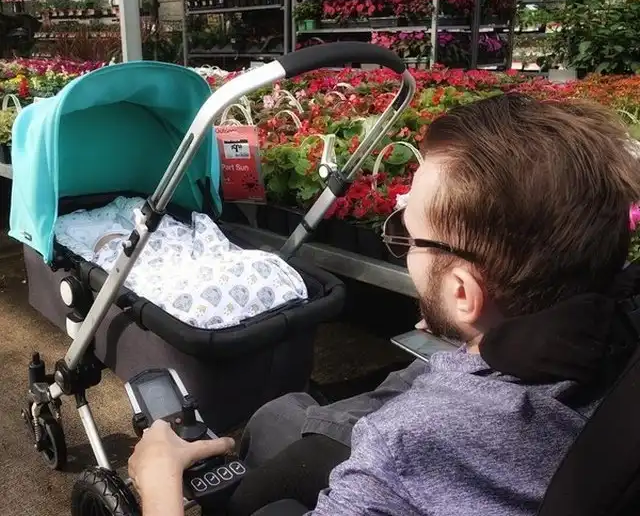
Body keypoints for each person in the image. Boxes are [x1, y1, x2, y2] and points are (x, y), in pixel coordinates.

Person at [128, 93, 640, 516]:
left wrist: (158, 481)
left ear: (464, 293)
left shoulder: (402, 448)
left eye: (407, 235)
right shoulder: (618, 344)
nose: (401, 242)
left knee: (273, 426)